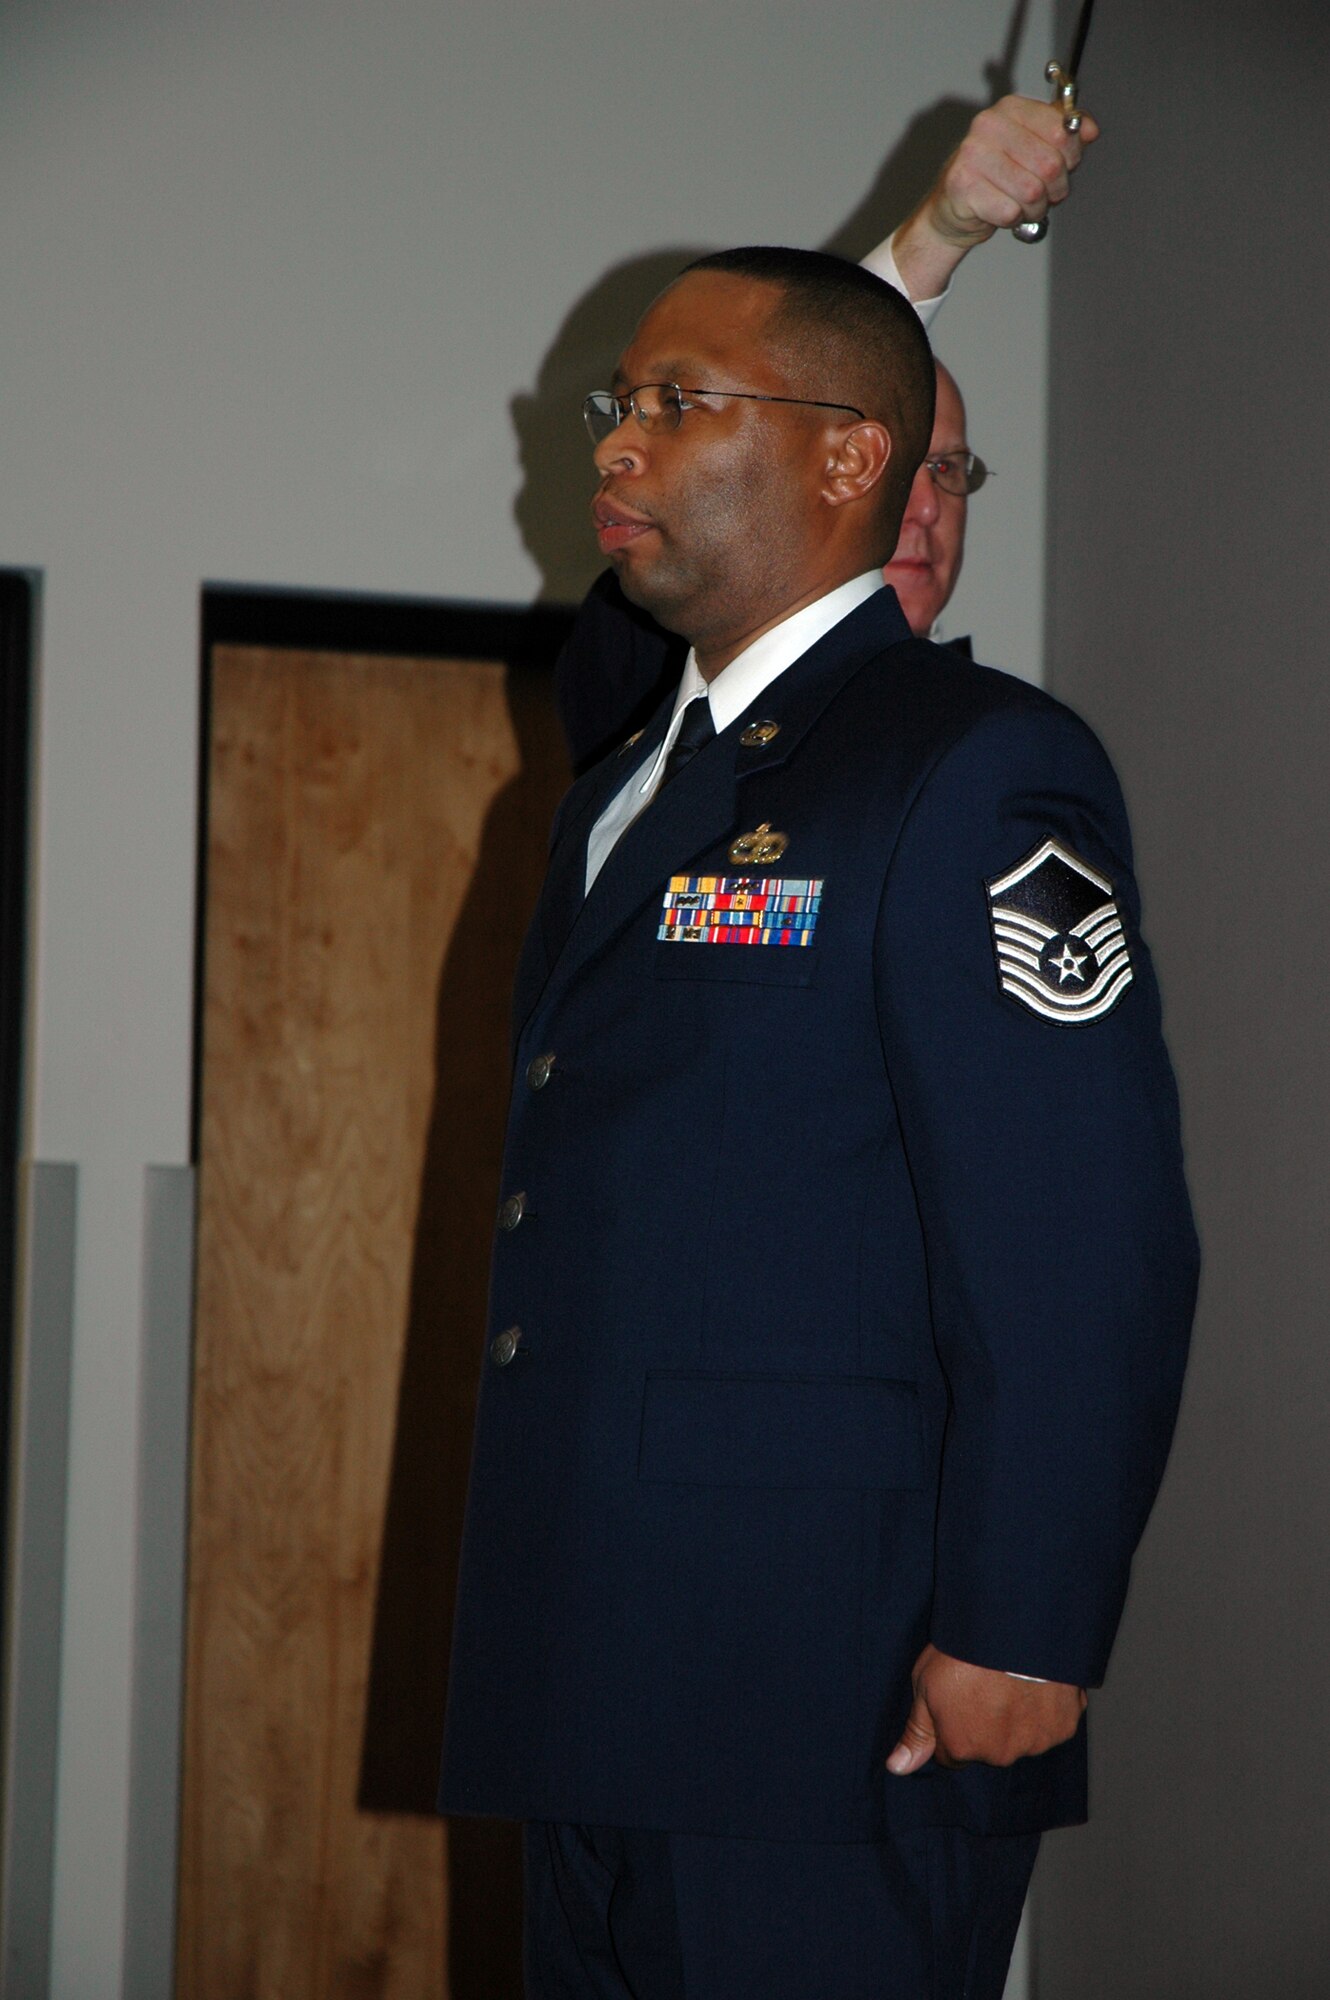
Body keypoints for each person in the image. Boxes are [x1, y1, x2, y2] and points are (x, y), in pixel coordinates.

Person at [439, 245, 1197, 1998]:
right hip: (600, 1676)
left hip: (823, 1698)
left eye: (673, 404)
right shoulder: (640, 780)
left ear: (855, 459)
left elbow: (1082, 1235)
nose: (615, 447)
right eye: (614, 407)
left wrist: (1025, 1618)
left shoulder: (971, 765)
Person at [556, 91, 1097, 770]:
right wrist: (939, 234)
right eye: (896, 469)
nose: (925, 508)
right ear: (844, 467)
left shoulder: (994, 746)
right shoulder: (660, 665)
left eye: (948, 470)